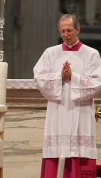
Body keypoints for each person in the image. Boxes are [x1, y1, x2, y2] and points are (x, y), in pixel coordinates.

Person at [33, 14, 101, 178]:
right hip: (58, 111)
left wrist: (73, 77)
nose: (65, 34)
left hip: (82, 112)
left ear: (78, 30)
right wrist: (60, 76)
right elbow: (39, 77)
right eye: (62, 31)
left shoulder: (91, 54)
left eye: (69, 30)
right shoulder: (50, 53)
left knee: (80, 150)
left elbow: (97, 83)